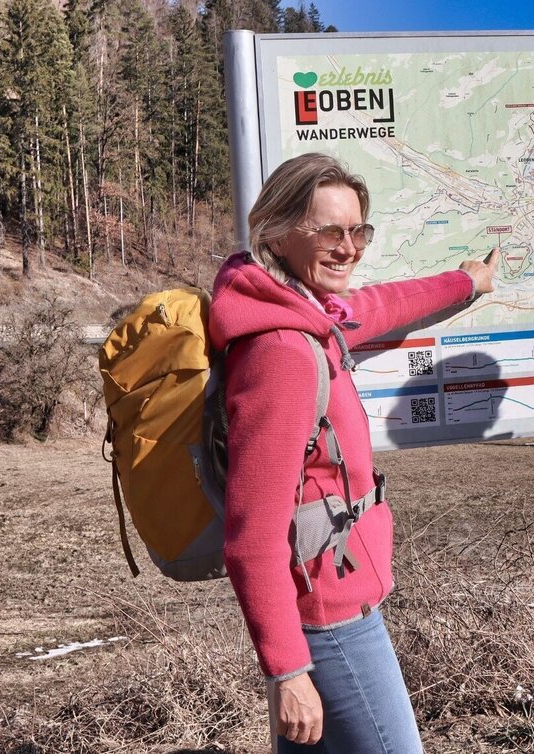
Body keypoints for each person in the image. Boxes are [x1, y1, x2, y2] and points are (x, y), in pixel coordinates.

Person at [209, 152, 499, 753]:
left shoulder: (312, 312)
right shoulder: (282, 351)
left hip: (332, 597)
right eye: (330, 231)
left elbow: (383, 304)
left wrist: (467, 281)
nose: (349, 248)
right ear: (277, 232)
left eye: (358, 230)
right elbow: (252, 535)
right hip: (328, 615)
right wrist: (287, 673)